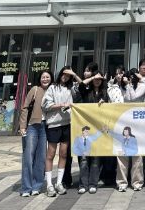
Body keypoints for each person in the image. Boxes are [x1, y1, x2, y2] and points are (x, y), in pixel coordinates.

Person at [115, 60, 145, 191]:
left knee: (137, 154)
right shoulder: (123, 87)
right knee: (122, 153)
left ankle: (137, 182)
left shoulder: (144, 84)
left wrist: (130, 84)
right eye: (129, 76)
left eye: (133, 76)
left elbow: (133, 98)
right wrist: (125, 84)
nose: (131, 78)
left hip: (138, 123)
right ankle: (122, 183)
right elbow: (124, 98)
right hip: (124, 121)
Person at [42, 66, 80, 197]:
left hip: (67, 124)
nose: (66, 77)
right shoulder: (52, 87)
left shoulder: (71, 88)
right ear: (60, 74)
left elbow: (83, 86)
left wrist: (74, 74)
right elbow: (45, 105)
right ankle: (49, 184)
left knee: (63, 154)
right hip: (53, 124)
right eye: (64, 74)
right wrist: (61, 105)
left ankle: (59, 182)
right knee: (50, 154)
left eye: (68, 75)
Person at [19, 70, 53, 197]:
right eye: (43, 77)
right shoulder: (35, 89)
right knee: (28, 157)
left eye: (47, 77)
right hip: (32, 126)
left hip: (46, 127)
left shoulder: (53, 90)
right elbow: (25, 107)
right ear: (40, 79)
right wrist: (23, 126)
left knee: (41, 158)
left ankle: (37, 186)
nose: (45, 79)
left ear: (51, 79)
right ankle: (26, 188)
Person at [74, 71, 109, 194]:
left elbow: (110, 111)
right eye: (95, 78)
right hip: (84, 127)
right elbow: (81, 85)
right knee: (83, 158)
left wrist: (104, 104)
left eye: (100, 79)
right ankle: (83, 184)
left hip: (98, 129)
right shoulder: (86, 91)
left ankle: (93, 183)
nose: (97, 81)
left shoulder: (105, 93)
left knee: (95, 158)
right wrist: (93, 76)